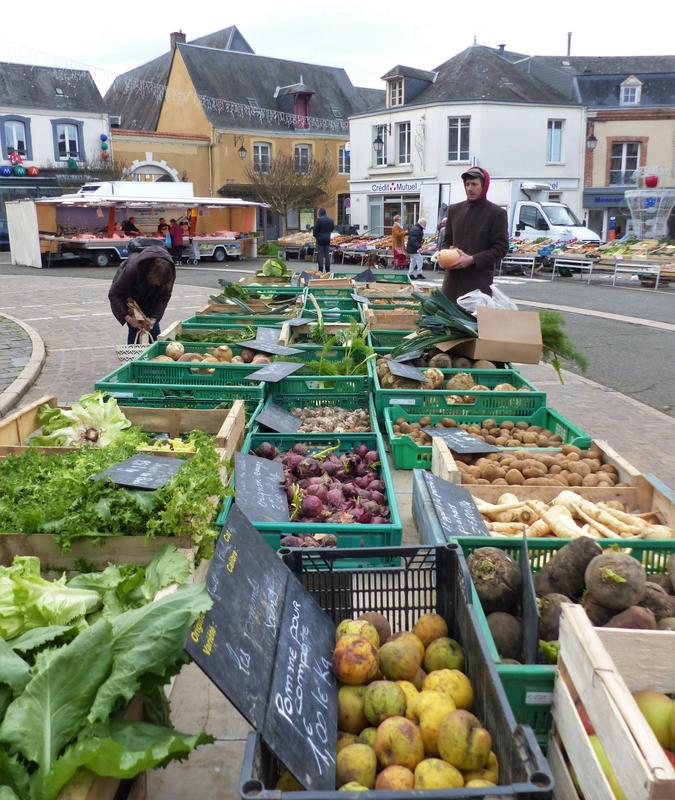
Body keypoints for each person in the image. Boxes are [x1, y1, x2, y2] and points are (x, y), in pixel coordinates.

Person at [441, 166, 508, 302]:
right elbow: (446, 241)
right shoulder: (454, 210)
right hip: (452, 283)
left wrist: (472, 259)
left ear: (484, 186)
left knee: (474, 322)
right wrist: (444, 255)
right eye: (467, 184)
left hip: (478, 285)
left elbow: (500, 248)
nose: (469, 188)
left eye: (474, 184)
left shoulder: (496, 214)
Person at [108, 244, 176, 343]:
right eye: (156, 282)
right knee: (135, 329)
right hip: (131, 296)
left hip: (151, 299)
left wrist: (154, 318)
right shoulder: (132, 269)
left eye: (160, 283)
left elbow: (164, 297)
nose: (157, 284)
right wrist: (129, 318)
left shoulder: (169, 272)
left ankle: (154, 354)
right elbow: (114, 294)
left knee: (153, 330)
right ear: (149, 274)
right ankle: (133, 356)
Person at [312, 207, 334, 272]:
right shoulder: (331, 220)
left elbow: (315, 231)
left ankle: (320, 269)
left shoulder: (319, 220)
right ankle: (328, 269)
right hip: (327, 239)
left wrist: (316, 236)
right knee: (327, 254)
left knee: (320, 255)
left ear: (320, 213)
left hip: (320, 239)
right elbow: (332, 229)